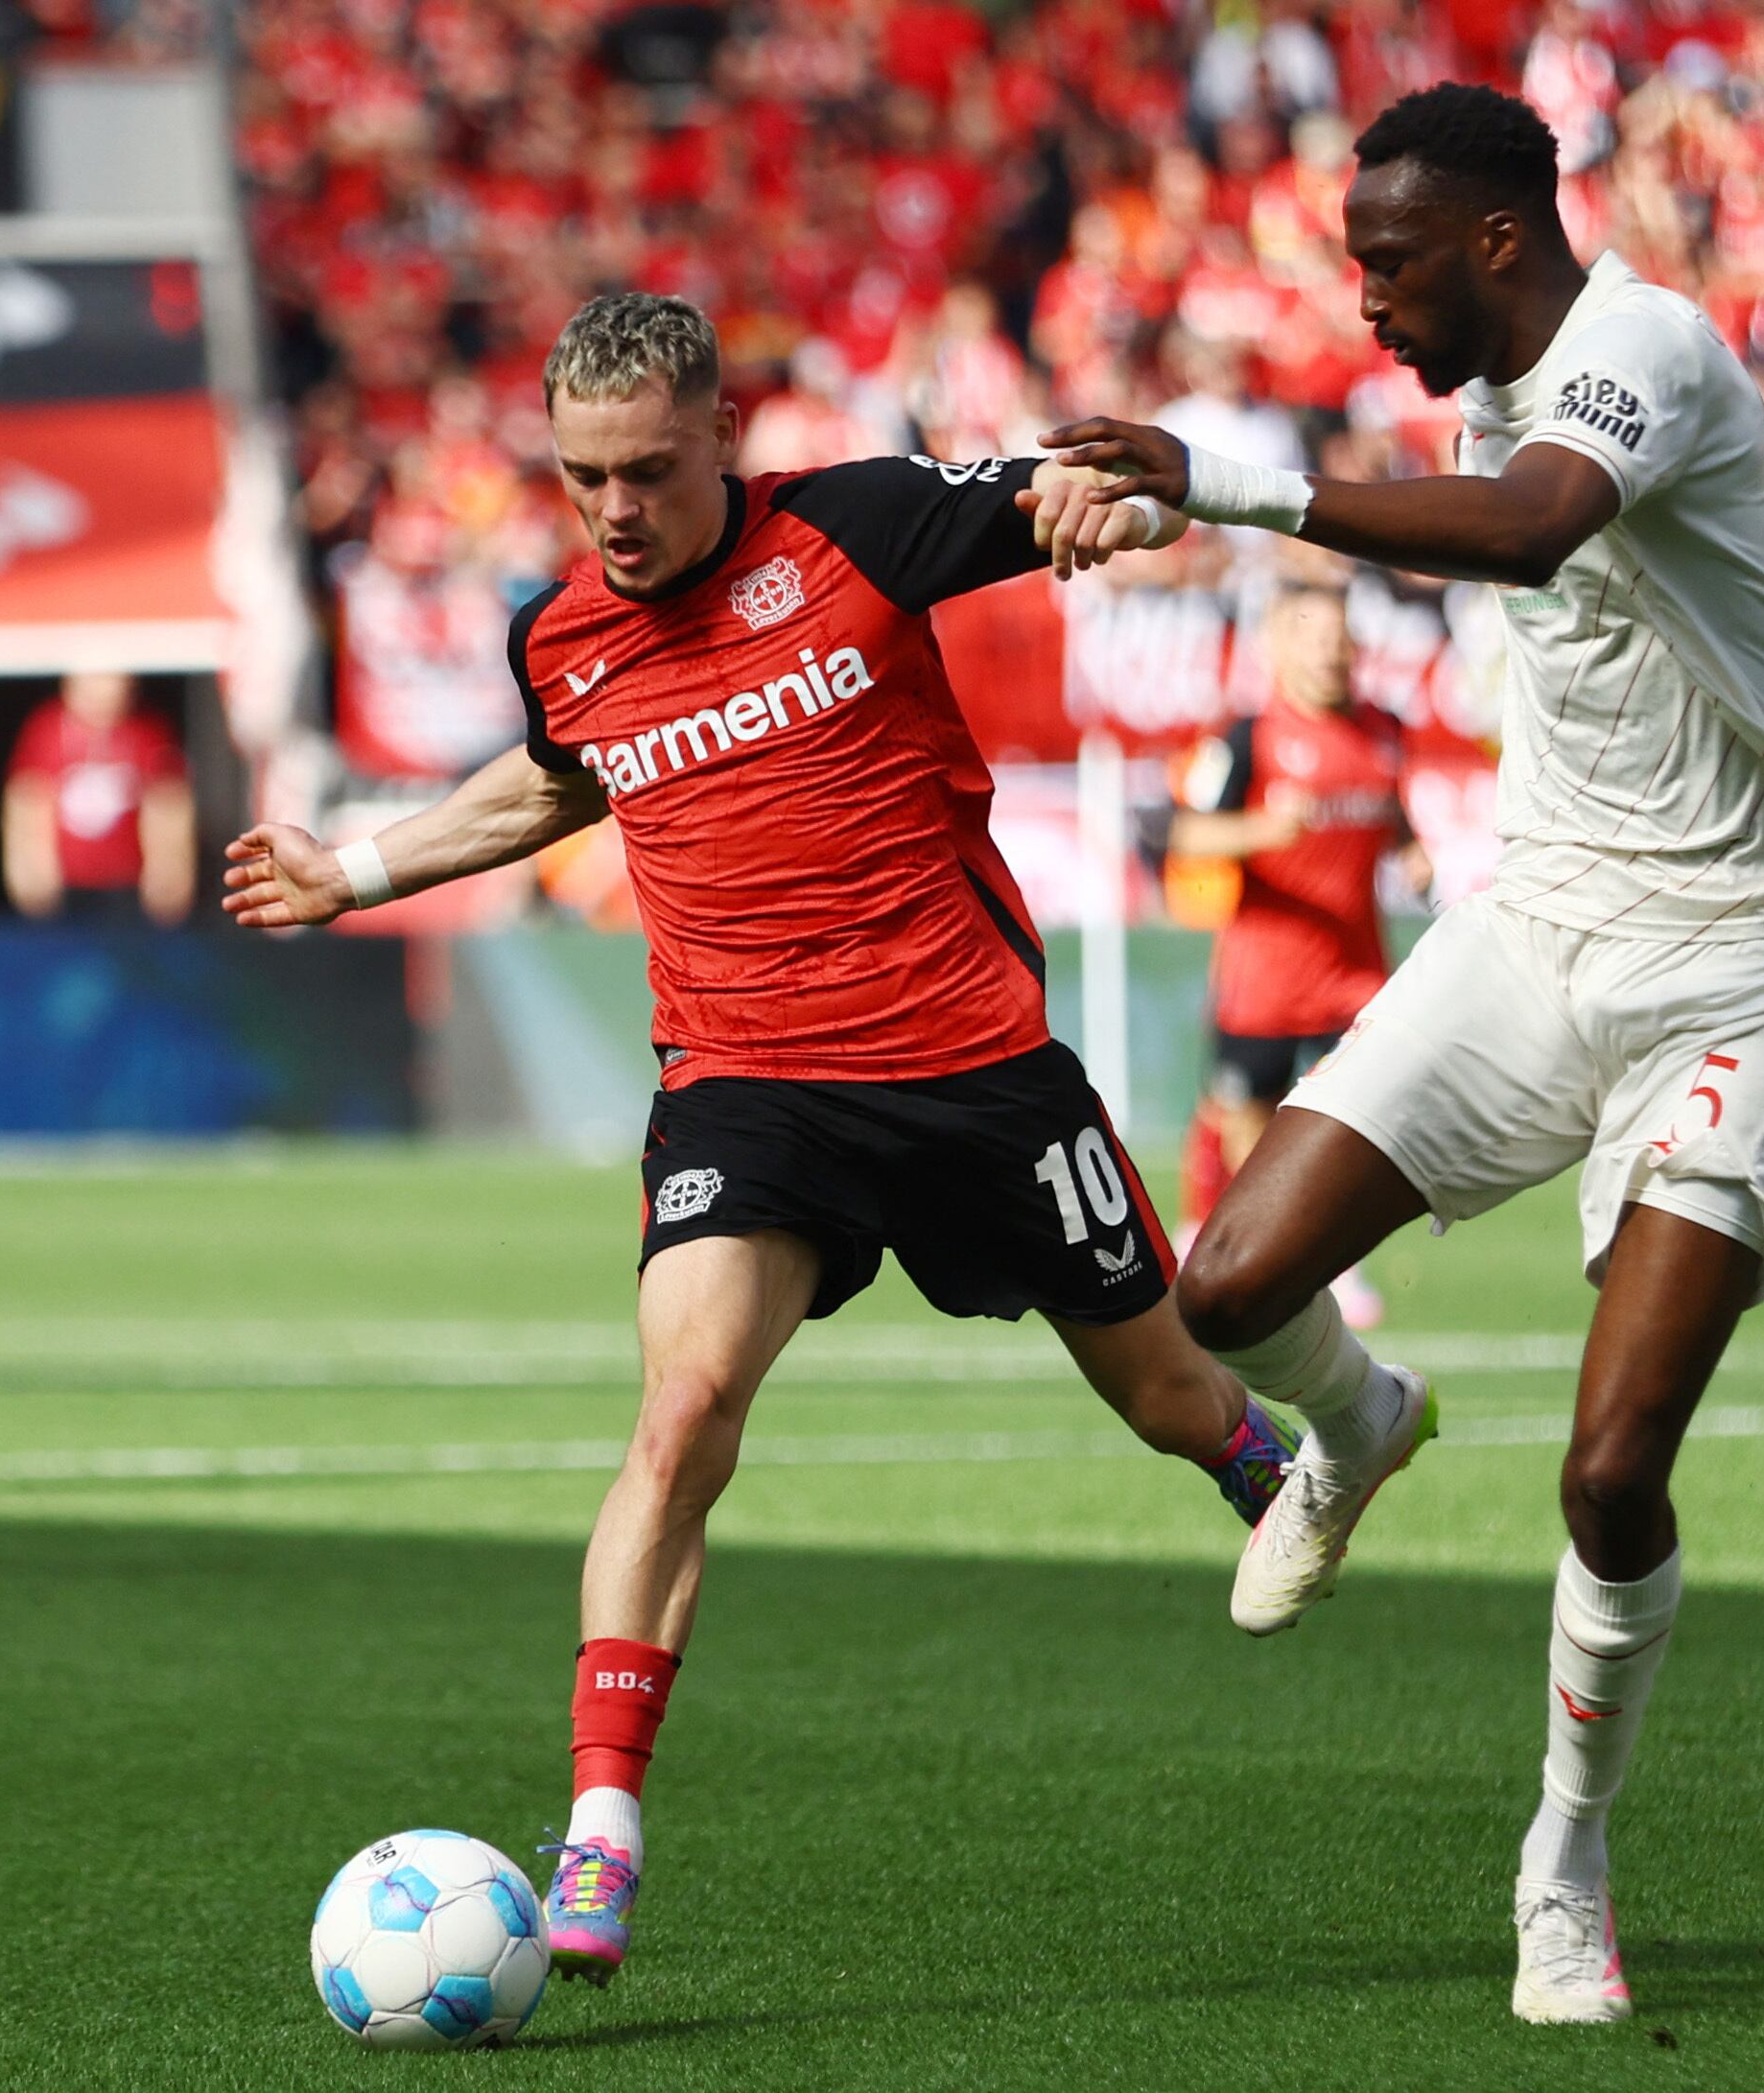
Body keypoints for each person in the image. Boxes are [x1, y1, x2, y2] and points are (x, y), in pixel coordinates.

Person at [220, 293, 1301, 1991]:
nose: (616, 511)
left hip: (970, 1067)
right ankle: (600, 1827)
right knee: (679, 1412)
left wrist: (1116, 502)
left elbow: (1091, 491)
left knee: (1174, 1398)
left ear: (725, 431)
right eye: (584, 479)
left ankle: (1283, 1470)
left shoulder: (859, 525)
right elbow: (556, 781)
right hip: (748, 1087)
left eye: (648, 469)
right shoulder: (563, 631)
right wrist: (353, 871)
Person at [1041, 83, 1764, 2025]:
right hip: (1537, 926)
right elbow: (1502, 510)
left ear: (1499, 240)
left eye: (1389, 263)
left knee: (1610, 1469)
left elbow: (1527, 539)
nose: (1364, 302)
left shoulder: (1643, 353)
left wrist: (1226, 486)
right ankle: (1358, 1420)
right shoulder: (1489, 399)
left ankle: (1563, 1865)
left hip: (1743, 965)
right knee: (1232, 1280)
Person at [1170, 568, 1425, 1329]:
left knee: (1349, 1125)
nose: (1330, 652)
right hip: (1264, 980)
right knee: (1245, 1123)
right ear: (1278, 647)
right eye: (1312, 637)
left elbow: (1395, 817)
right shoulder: (1246, 737)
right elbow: (1184, 833)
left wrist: (1414, 855)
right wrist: (1261, 830)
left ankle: (1330, 1264)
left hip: (1355, 974)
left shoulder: (1386, 729)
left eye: (1341, 636)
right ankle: (1217, 1238)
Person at [2, 670, 195, 927]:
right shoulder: (46, 729)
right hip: (65, 888)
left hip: (127, 885)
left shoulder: (147, 732)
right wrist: (29, 869)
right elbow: (28, 800)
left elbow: (167, 805)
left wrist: (170, 872)